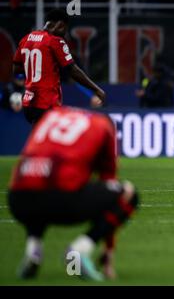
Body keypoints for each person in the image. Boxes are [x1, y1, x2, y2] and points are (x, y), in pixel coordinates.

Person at [7, 106, 139, 281]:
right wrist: (108, 253)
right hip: (61, 197)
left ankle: (33, 251)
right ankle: (78, 251)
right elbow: (109, 181)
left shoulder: (51, 116)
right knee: (128, 194)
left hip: (17, 198)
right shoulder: (104, 125)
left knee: (37, 187)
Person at [12, 9, 105, 126]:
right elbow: (73, 70)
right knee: (53, 142)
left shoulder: (26, 39)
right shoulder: (55, 41)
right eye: (65, 29)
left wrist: (37, 68)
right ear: (60, 25)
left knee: (42, 140)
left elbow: (16, 70)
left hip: (28, 103)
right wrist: (96, 89)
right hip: (46, 103)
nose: (65, 34)